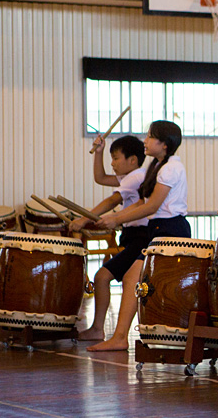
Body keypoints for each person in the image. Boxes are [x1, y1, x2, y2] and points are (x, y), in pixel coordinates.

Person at [87, 121, 191, 352]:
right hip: (159, 230)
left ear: (165, 144)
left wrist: (116, 219)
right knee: (130, 279)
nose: (145, 140)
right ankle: (119, 337)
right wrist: (117, 218)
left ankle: (120, 337)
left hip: (170, 231)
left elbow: (152, 206)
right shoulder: (158, 166)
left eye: (151, 137)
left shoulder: (171, 168)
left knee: (133, 279)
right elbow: (144, 201)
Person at [69, 135, 151, 342]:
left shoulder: (136, 176)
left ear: (132, 160)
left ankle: (99, 329)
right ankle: (100, 329)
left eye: (115, 158)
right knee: (108, 278)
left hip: (141, 238)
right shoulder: (133, 176)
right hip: (134, 237)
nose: (112, 163)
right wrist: (98, 152)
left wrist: (83, 220)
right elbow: (100, 178)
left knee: (102, 277)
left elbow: (112, 200)